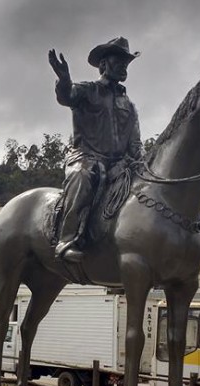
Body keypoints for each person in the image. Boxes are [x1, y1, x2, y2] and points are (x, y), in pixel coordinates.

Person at [49, 37, 144, 262]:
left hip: (120, 165)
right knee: (82, 177)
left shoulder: (129, 105)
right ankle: (66, 239)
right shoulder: (87, 90)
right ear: (103, 65)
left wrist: (142, 164)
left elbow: (135, 143)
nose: (124, 65)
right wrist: (64, 79)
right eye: (118, 60)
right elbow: (66, 96)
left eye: (126, 62)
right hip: (86, 158)